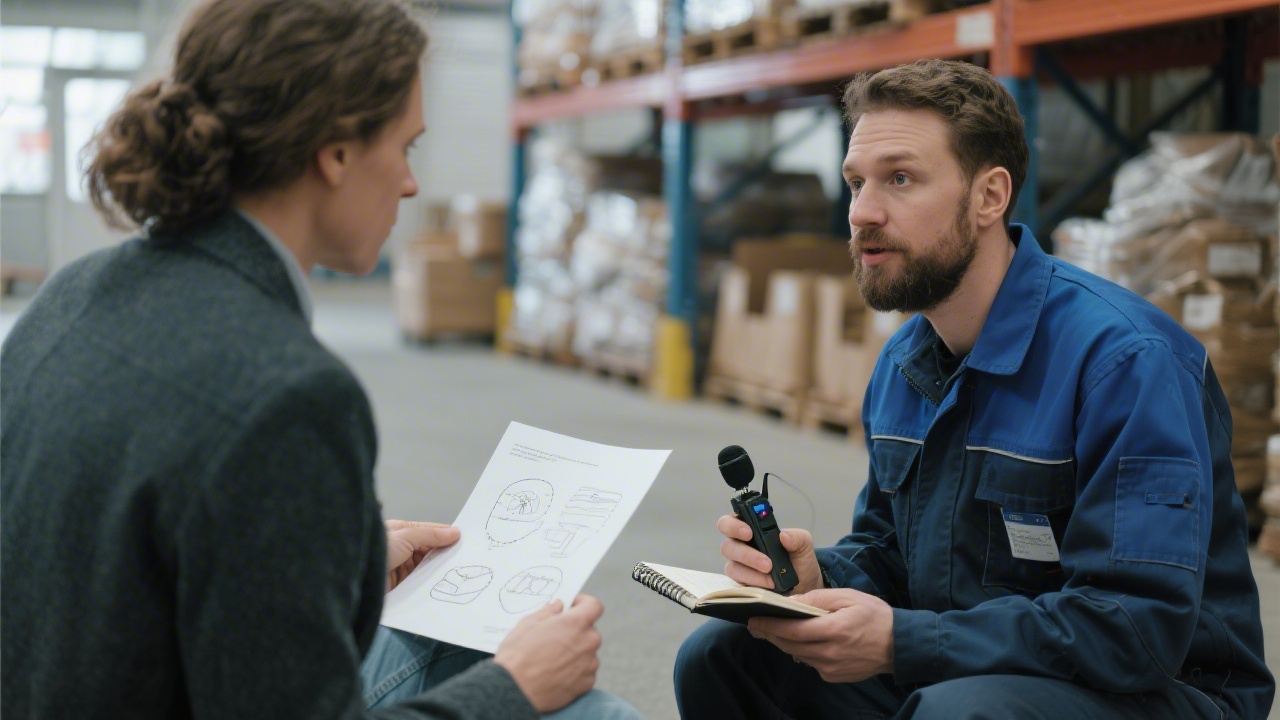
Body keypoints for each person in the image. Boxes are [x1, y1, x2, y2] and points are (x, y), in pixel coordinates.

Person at [0, 1, 638, 718]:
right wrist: (510, 692)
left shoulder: (68, 296)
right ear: (334, 154)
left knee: (464, 641)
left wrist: (350, 558)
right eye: (405, 148)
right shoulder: (287, 396)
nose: (410, 184)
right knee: (590, 712)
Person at [675, 59, 1275, 719]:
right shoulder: (907, 360)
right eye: (855, 183)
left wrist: (904, 643)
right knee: (724, 659)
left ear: (990, 196)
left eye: (900, 179)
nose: (862, 213)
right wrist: (818, 579)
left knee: (961, 713)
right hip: (967, 665)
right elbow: (890, 555)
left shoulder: (1126, 364)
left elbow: (1134, 630)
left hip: (1164, 691)